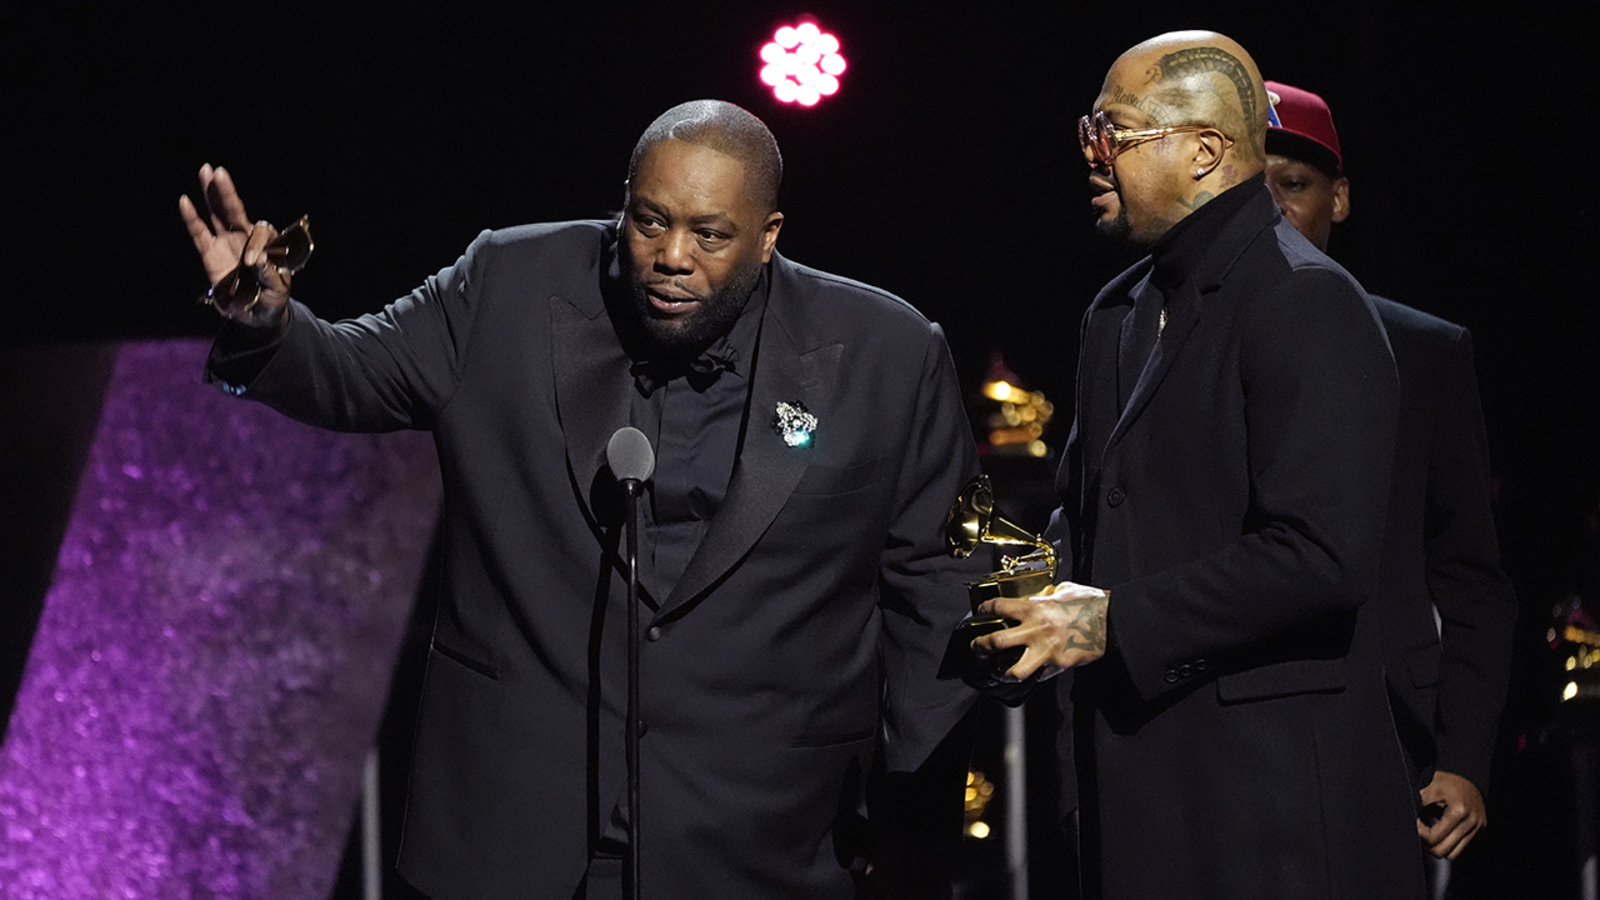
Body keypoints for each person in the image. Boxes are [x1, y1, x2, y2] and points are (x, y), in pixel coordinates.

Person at [178, 100, 981, 900]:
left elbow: (936, 602)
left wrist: (915, 832)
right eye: (648, 221)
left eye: (710, 234)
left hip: (765, 844)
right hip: (509, 835)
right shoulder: (507, 283)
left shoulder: (890, 357)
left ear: (769, 236)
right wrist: (267, 327)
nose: (671, 256)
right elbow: (354, 373)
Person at [972, 32, 1425, 898]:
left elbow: (1322, 555)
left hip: (1272, 814)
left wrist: (1114, 621)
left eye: (1114, 131)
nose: (1090, 155)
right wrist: (1020, 602)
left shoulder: (1307, 299)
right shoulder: (1117, 311)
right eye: (1087, 130)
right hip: (1135, 795)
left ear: (1204, 151)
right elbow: (1089, 519)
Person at [1263, 80, 1518, 865]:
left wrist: (1464, 758)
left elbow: (1470, 572)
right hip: (1233, 730)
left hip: (1385, 734)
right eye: (1251, 188)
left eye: (1294, 186)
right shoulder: (1170, 343)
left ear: (1339, 199)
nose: (1272, 210)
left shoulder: (1424, 352)